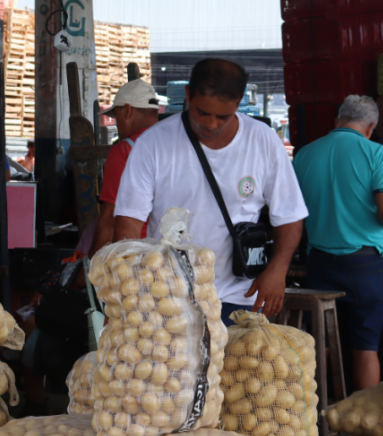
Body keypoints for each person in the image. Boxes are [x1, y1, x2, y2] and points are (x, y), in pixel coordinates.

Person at [113, 58, 308, 326]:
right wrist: (132, 288)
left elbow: (289, 215)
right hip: (169, 297)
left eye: (223, 116)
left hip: (240, 297)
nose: (212, 124)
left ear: (239, 102)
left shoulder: (263, 140)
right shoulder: (153, 144)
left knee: (239, 367)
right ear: (188, 96)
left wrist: (278, 269)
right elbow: (128, 222)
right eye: (202, 113)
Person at [293, 95, 383, 391]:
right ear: (371, 126)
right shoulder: (376, 153)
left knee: (324, 342)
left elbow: (292, 212)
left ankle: (323, 413)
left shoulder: (305, 154)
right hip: (365, 264)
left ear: (336, 121)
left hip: (320, 262)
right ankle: (362, 422)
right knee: (365, 347)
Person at [91, 79, 161, 255]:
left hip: (139, 258)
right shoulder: (176, 144)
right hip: (176, 254)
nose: (116, 123)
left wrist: (89, 270)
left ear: (127, 110)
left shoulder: (124, 150)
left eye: (117, 116)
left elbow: (110, 221)